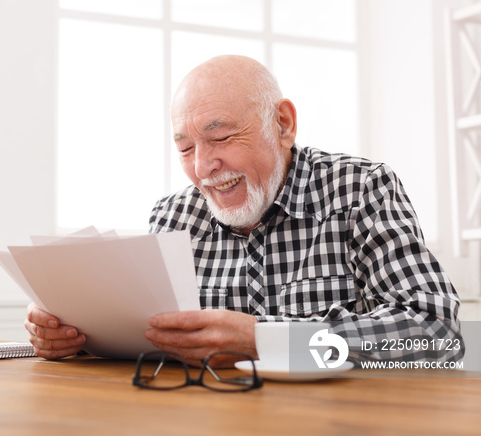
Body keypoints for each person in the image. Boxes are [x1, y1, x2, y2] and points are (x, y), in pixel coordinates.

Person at [25, 55, 462, 367]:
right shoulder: (173, 217)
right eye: (185, 148)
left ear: (283, 125)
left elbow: (438, 331)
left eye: (221, 138)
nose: (202, 168)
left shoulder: (361, 188)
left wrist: (265, 340)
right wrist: (72, 338)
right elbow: (151, 341)